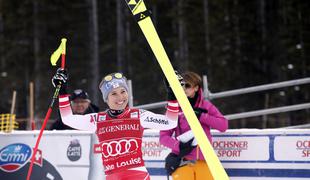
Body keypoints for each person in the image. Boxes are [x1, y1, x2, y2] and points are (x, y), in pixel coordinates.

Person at [51, 68, 182, 180]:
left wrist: (172, 94)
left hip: (137, 175)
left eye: (123, 92)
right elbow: (68, 119)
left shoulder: (138, 115)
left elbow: (170, 122)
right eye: (114, 94)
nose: (120, 97)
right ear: (106, 99)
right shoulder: (98, 119)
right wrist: (62, 91)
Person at [160, 71, 228, 180]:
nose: (184, 88)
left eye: (187, 85)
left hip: (205, 161)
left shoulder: (206, 106)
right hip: (183, 161)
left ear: (196, 88)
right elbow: (163, 137)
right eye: (181, 86)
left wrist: (202, 116)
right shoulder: (174, 108)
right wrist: (178, 146)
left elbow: (223, 125)